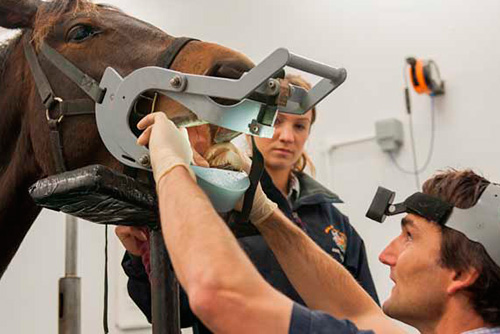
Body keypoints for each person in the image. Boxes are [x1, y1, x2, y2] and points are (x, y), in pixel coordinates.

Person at [133, 111, 500, 333]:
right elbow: (358, 312)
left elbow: (221, 297)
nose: (386, 254)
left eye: (409, 237)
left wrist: (171, 165)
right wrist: (264, 212)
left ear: (461, 273)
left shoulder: (333, 223)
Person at [117, 75, 379, 332]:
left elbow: (369, 317)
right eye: (276, 121)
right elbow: (176, 309)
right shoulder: (213, 202)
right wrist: (141, 258)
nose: (287, 136)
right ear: (252, 123)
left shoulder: (334, 223)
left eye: (300, 126)